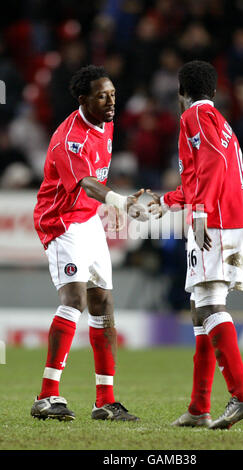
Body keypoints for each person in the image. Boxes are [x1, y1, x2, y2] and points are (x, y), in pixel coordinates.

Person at [147, 60, 243, 430]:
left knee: (210, 303)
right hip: (231, 216)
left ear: (182, 92)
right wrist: (163, 202)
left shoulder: (194, 117)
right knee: (200, 309)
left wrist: (198, 215)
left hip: (218, 220)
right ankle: (199, 408)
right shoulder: (220, 122)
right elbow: (200, 176)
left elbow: (210, 165)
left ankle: (242, 395)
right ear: (213, 90)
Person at [31, 64, 147, 422]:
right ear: (83, 100)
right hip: (61, 220)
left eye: (112, 93)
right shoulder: (70, 139)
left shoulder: (107, 122)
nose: (111, 100)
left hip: (88, 219)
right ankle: (47, 397)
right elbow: (86, 183)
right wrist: (122, 202)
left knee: (103, 303)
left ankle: (105, 401)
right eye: (102, 95)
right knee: (74, 298)